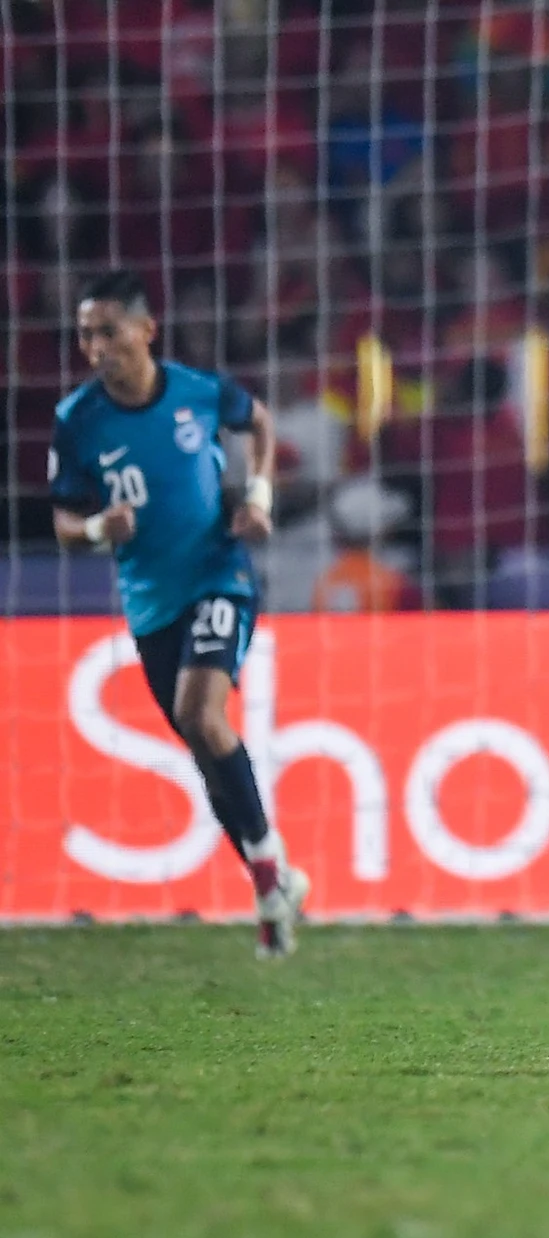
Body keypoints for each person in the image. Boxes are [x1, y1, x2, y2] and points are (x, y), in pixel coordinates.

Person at [47, 270, 310, 958]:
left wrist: (258, 499)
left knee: (201, 714)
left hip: (218, 575)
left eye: (109, 330)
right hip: (150, 604)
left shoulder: (196, 393)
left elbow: (256, 419)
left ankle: (270, 868)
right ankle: (273, 881)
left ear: (145, 331)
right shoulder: (77, 420)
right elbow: (64, 525)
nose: (97, 345)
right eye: (86, 334)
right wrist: (100, 529)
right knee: (203, 744)